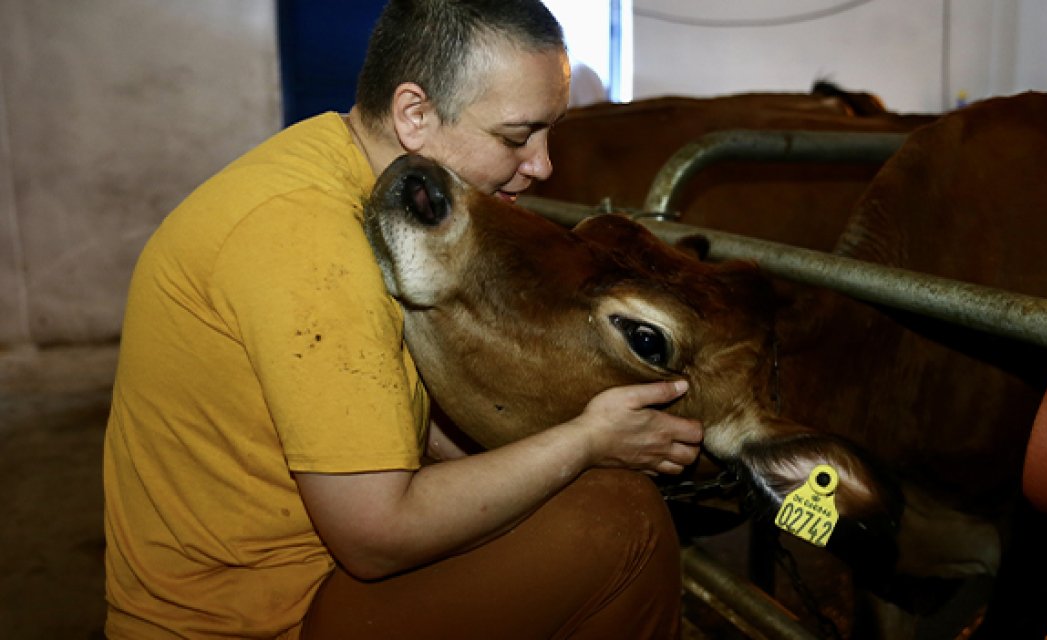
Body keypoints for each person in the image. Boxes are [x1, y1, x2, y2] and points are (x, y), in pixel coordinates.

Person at [102, 1, 703, 638]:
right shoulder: (310, 242)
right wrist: (586, 441)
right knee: (622, 517)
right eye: (514, 136)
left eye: (548, 132)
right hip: (251, 618)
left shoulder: (333, 164)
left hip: (288, 579)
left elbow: (406, 425)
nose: (542, 165)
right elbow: (375, 535)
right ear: (414, 114)